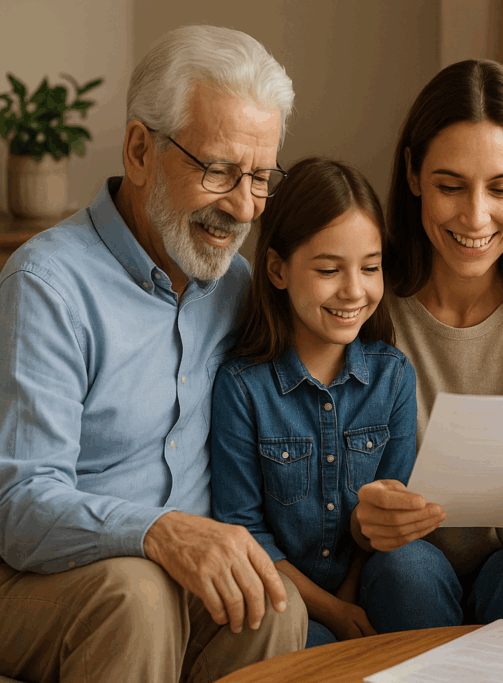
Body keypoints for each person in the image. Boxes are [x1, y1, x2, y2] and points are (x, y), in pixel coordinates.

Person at [0, 25, 307, 682]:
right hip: (40, 580)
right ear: (141, 150)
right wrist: (159, 530)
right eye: (220, 170)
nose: (244, 207)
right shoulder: (47, 286)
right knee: (137, 596)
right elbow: (19, 504)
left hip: (174, 585)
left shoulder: (240, 288)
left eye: (260, 177)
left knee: (274, 606)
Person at [353, 59, 503, 631]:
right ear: (413, 174)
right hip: (404, 559)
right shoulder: (366, 293)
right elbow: (339, 469)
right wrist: (364, 521)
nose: (475, 216)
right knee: (405, 570)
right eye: (450, 186)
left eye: (501, 188)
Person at [211, 157, 418, 649]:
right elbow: (245, 529)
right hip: (283, 594)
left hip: (369, 582)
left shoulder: (393, 377)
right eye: (329, 270)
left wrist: (351, 596)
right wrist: (333, 611)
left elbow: (393, 510)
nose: (354, 291)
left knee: (413, 569)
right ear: (279, 269)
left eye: (370, 268)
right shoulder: (242, 387)